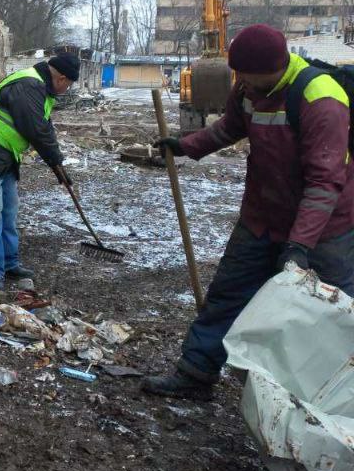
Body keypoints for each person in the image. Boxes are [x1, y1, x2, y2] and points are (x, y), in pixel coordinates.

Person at [143, 23, 354, 400]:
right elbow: (228, 129)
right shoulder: (247, 89)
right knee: (228, 294)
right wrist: (186, 145)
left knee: (326, 313)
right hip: (262, 216)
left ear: (275, 68)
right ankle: (195, 373)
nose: (242, 84)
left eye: (249, 77)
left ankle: (325, 400)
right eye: (239, 76)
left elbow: (324, 182)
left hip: (326, 229)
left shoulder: (320, 96)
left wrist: (299, 245)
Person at [0, 52, 79, 293]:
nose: (67, 89)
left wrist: (59, 167)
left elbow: (45, 128)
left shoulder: (42, 91)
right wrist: (54, 159)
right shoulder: (28, 85)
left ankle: (9, 263)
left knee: (9, 210)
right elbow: (35, 130)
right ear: (62, 78)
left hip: (5, 153)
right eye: (68, 84)